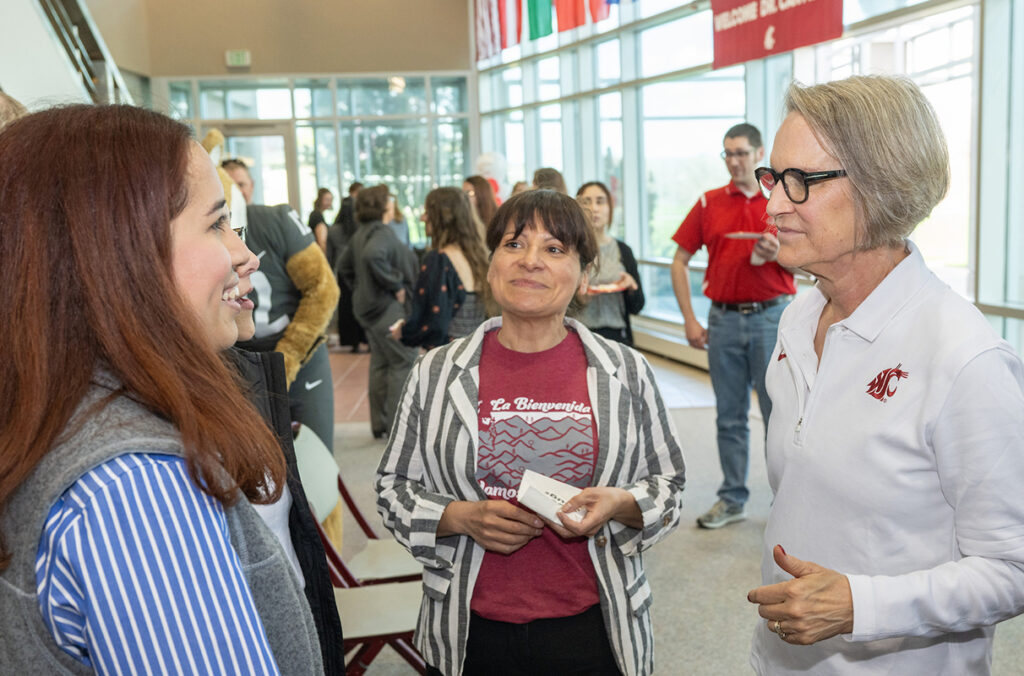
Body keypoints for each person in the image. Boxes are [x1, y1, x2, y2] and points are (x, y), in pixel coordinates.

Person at [0, 105, 324, 673]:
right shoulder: (135, 487)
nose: (245, 254)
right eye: (217, 223)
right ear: (122, 254)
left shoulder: (51, 409)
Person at [745, 75, 1024, 674]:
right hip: (786, 659)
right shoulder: (798, 321)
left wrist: (861, 605)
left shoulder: (965, 359)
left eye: (801, 182)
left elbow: (1012, 569)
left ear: (881, 187)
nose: (771, 205)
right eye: (773, 177)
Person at [376, 189, 686, 676]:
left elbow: (668, 488)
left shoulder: (626, 371)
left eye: (555, 249)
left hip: (592, 624)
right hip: (470, 625)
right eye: (514, 244)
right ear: (492, 262)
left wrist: (619, 505)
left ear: (586, 276)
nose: (530, 262)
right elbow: (391, 490)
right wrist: (459, 517)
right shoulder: (436, 371)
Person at [669, 123, 796, 529]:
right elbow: (679, 260)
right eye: (727, 154)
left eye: (741, 152)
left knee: (778, 413)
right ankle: (733, 498)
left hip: (772, 317)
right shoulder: (708, 203)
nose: (734, 161)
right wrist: (689, 318)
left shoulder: (781, 201)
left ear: (759, 154)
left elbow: (804, 263)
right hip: (722, 320)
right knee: (729, 416)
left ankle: (787, 500)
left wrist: (779, 253)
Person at [223, 158, 340, 453]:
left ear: (250, 188)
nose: (235, 192)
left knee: (315, 461)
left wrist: (288, 357)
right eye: (228, 185)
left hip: (299, 356)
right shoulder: (207, 235)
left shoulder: (276, 220)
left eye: (241, 185)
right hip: (238, 360)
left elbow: (323, 290)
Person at [339, 184, 419, 439]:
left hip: (367, 308)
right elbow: (374, 256)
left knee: (382, 362)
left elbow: (344, 266)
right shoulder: (381, 233)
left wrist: (362, 287)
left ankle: (380, 424)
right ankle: (397, 428)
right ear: (384, 205)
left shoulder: (362, 233)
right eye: (390, 200)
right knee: (403, 360)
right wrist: (394, 284)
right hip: (385, 308)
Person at [390, 187, 489, 348]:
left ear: (443, 218)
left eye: (428, 212)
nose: (423, 218)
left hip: (447, 359)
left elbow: (431, 322)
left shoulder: (439, 260)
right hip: (476, 355)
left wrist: (404, 331)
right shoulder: (479, 258)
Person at [575, 181, 644, 345]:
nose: (594, 208)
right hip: (579, 336)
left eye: (600, 201)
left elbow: (637, 306)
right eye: (587, 202)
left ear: (610, 208)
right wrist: (580, 298)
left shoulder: (623, 250)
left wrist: (631, 288)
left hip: (618, 337)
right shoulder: (570, 250)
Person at [327, 181, 367, 352]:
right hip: (359, 272)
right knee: (361, 305)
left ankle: (352, 342)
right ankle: (366, 339)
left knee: (346, 308)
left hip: (342, 274)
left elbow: (330, 255)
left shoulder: (334, 230)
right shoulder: (360, 230)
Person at [308, 187, 334, 253]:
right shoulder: (317, 215)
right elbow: (322, 242)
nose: (329, 203)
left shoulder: (318, 214)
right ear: (320, 200)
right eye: (327, 200)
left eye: (331, 200)